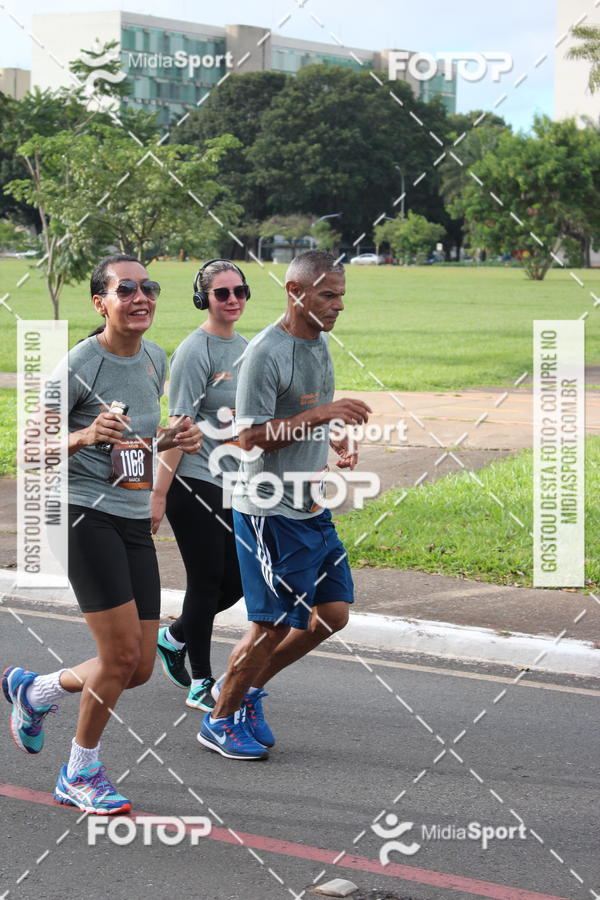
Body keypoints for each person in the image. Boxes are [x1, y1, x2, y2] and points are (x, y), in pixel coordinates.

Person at [2, 255, 201, 814]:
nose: (142, 298)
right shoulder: (76, 367)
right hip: (81, 513)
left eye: (150, 288)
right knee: (117, 658)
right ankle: (79, 772)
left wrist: (173, 439)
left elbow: (134, 444)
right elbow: (28, 450)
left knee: (137, 667)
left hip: (133, 515)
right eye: (127, 289)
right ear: (100, 303)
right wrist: (84, 434)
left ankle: (36, 690)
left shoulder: (154, 359)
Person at [197, 250, 371, 760]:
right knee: (272, 624)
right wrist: (324, 414)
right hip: (268, 510)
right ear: (296, 293)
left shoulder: (318, 342)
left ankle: (244, 691)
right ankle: (219, 719)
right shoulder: (265, 353)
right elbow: (249, 436)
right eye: (328, 295)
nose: (339, 306)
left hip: (309, 504)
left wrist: (333, 434)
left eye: (341, 295)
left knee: (332, 614)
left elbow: (302, 414)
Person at [153, 259, 249, 711]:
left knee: (241, 580)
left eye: (239, 292)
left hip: (234, 480)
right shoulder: (195, 350)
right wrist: (157, 492)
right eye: (222, 293)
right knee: (207, 579)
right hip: (192, 480)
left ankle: (173, 637)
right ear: (204, 299)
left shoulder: (247, 348)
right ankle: (201, 681)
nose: (233, 300)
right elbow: (178, 425)